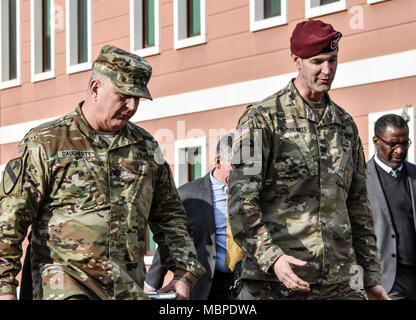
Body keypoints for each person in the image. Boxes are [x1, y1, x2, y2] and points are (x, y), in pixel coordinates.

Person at [0, 45, 205, 300]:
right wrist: (5, 287)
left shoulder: (145, 147)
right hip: (65, 288)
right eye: (123, 95)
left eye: (137, 99)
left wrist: (184, 272)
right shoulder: (47, 143)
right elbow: (10, 221)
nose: (131, 106)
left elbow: (169, 215)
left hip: (126, 290)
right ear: (96, 89)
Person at [228, 19, 389, 300]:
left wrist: (371, 277)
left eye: (333, 61)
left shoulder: (345, 124)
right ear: (296, 60)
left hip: (340, 284)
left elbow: (358, 208)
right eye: (317, 61)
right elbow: (241, 204)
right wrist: (273, 258)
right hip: (276, 284)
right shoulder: (261, 119)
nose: (327, 71)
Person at [144, 133, 242, 300]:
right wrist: (151, 284)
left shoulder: (254, 192)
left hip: (245, 284)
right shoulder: (188, 195)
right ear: (218, 161)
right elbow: (169, 239)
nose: (242, 172)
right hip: (205, 286)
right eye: (236, 165)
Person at [367, 114, 416, 300]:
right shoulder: (361, 180)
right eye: (393, 144)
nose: (399, 150)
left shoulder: (414, 174)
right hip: (386, 280)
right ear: (376, 141)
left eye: (405, 144)